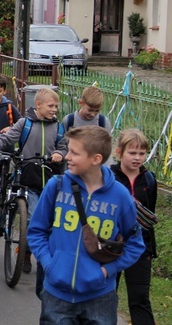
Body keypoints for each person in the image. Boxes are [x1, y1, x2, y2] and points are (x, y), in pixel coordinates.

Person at [26, 126, 145, 324]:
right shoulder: (56, 186)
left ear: (96, 159)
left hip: (100, 298)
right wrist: (49, 264)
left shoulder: (120, 196)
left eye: (74, 152)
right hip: (57, 296)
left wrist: (106, 272)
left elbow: (135, 243)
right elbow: (36, 231)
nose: (67, 157)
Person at [0, 87, 64, 274]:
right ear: (38, 105)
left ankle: (44, 255)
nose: (54, 110)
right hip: (28, 179)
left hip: (51, 181)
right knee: (33, 217)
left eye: (56, 106)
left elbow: (64, 146)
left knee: (52, 221)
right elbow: (6, 138)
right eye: (51, 106)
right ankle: (25, 253)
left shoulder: (59, 127)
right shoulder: (24, 123)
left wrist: (60, 153)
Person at [111, 129, 157, 325]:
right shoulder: (108, 177)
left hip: (140, 247)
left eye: (141, 153)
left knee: (140, 298)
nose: (137, 158)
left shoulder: (149, 179)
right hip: (110, 246)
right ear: (119, 152)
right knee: (105, 296)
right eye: (132, 153)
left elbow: (149, 214)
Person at [56, 86, 112, 159]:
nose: (93, 114)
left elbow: (107, 148)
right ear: (81, 103)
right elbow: (63, 144)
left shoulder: (103, 122)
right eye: (90, 110)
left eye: (97, 111)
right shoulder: (69, 120)